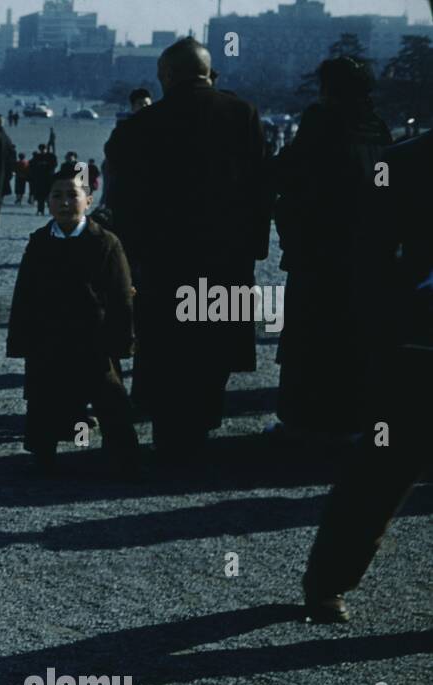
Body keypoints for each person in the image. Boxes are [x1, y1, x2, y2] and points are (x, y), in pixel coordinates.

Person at [104, 37, 271, 462]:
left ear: (167, 75)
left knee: (166, 349)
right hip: (226, 258)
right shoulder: (242, 114)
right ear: (207, 70)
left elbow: (124, 203)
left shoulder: (139, 128)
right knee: (212, 349)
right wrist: (254, 248)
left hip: (163, 261)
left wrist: (130, 257)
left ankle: (171, 432)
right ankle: (203, 423)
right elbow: (260, 190)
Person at [301, 127, 432, 622]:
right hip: (416, 347)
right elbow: (367, 258)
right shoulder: (402, 163)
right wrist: (389, 330)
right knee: (378, 472)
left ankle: (326, 583)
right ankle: (327, 583)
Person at [271, 56, 391, 439]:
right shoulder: (377, 128)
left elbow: (295, 174)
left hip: (320, 251)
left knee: (311, 336)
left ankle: (306, 420)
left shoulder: (321, 121)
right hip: (367, 250)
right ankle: (352, 418)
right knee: (353, 338)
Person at [6, 163, 139, 476]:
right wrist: (21, 338)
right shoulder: (39, 242)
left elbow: (120, 296)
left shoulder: (106, 243)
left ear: (88, 201)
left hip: (93, 338)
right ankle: (42, 455)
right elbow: (24, 294)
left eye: (72, 195)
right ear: (48, 201)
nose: (65, 202)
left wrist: (122, 341)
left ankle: (125, 459)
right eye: (57, 195)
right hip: (48, 337)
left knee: (110, 399)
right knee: (44, 398)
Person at [27, 143, 56, 215]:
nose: (42, 150)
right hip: (39, 180)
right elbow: (32, 166)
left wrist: (45, 166)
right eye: (41, 149)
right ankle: (40, 210)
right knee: (40, 197)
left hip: (48, 179)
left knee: (49, 196)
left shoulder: (51, 156)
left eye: (44, 149)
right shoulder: (37, 157)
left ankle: (51, 210)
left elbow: (54, 165)